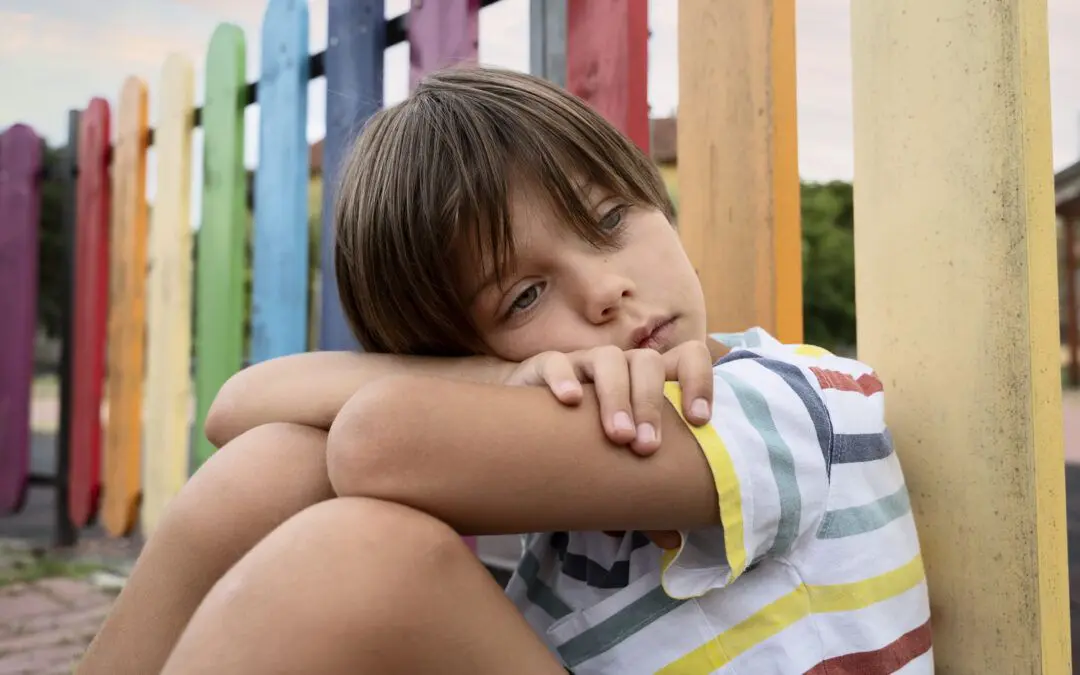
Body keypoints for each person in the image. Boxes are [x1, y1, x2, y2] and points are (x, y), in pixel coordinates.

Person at [80, 66, 931, 674]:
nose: (605, 290)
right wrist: (491, 379)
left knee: (353, 557)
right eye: (525, 296)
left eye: (608, 217)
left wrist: (478, 379)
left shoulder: (785, 403)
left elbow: (379, 442)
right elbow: (237, 409)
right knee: (266, 469)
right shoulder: (564, 474)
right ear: (469, 348)